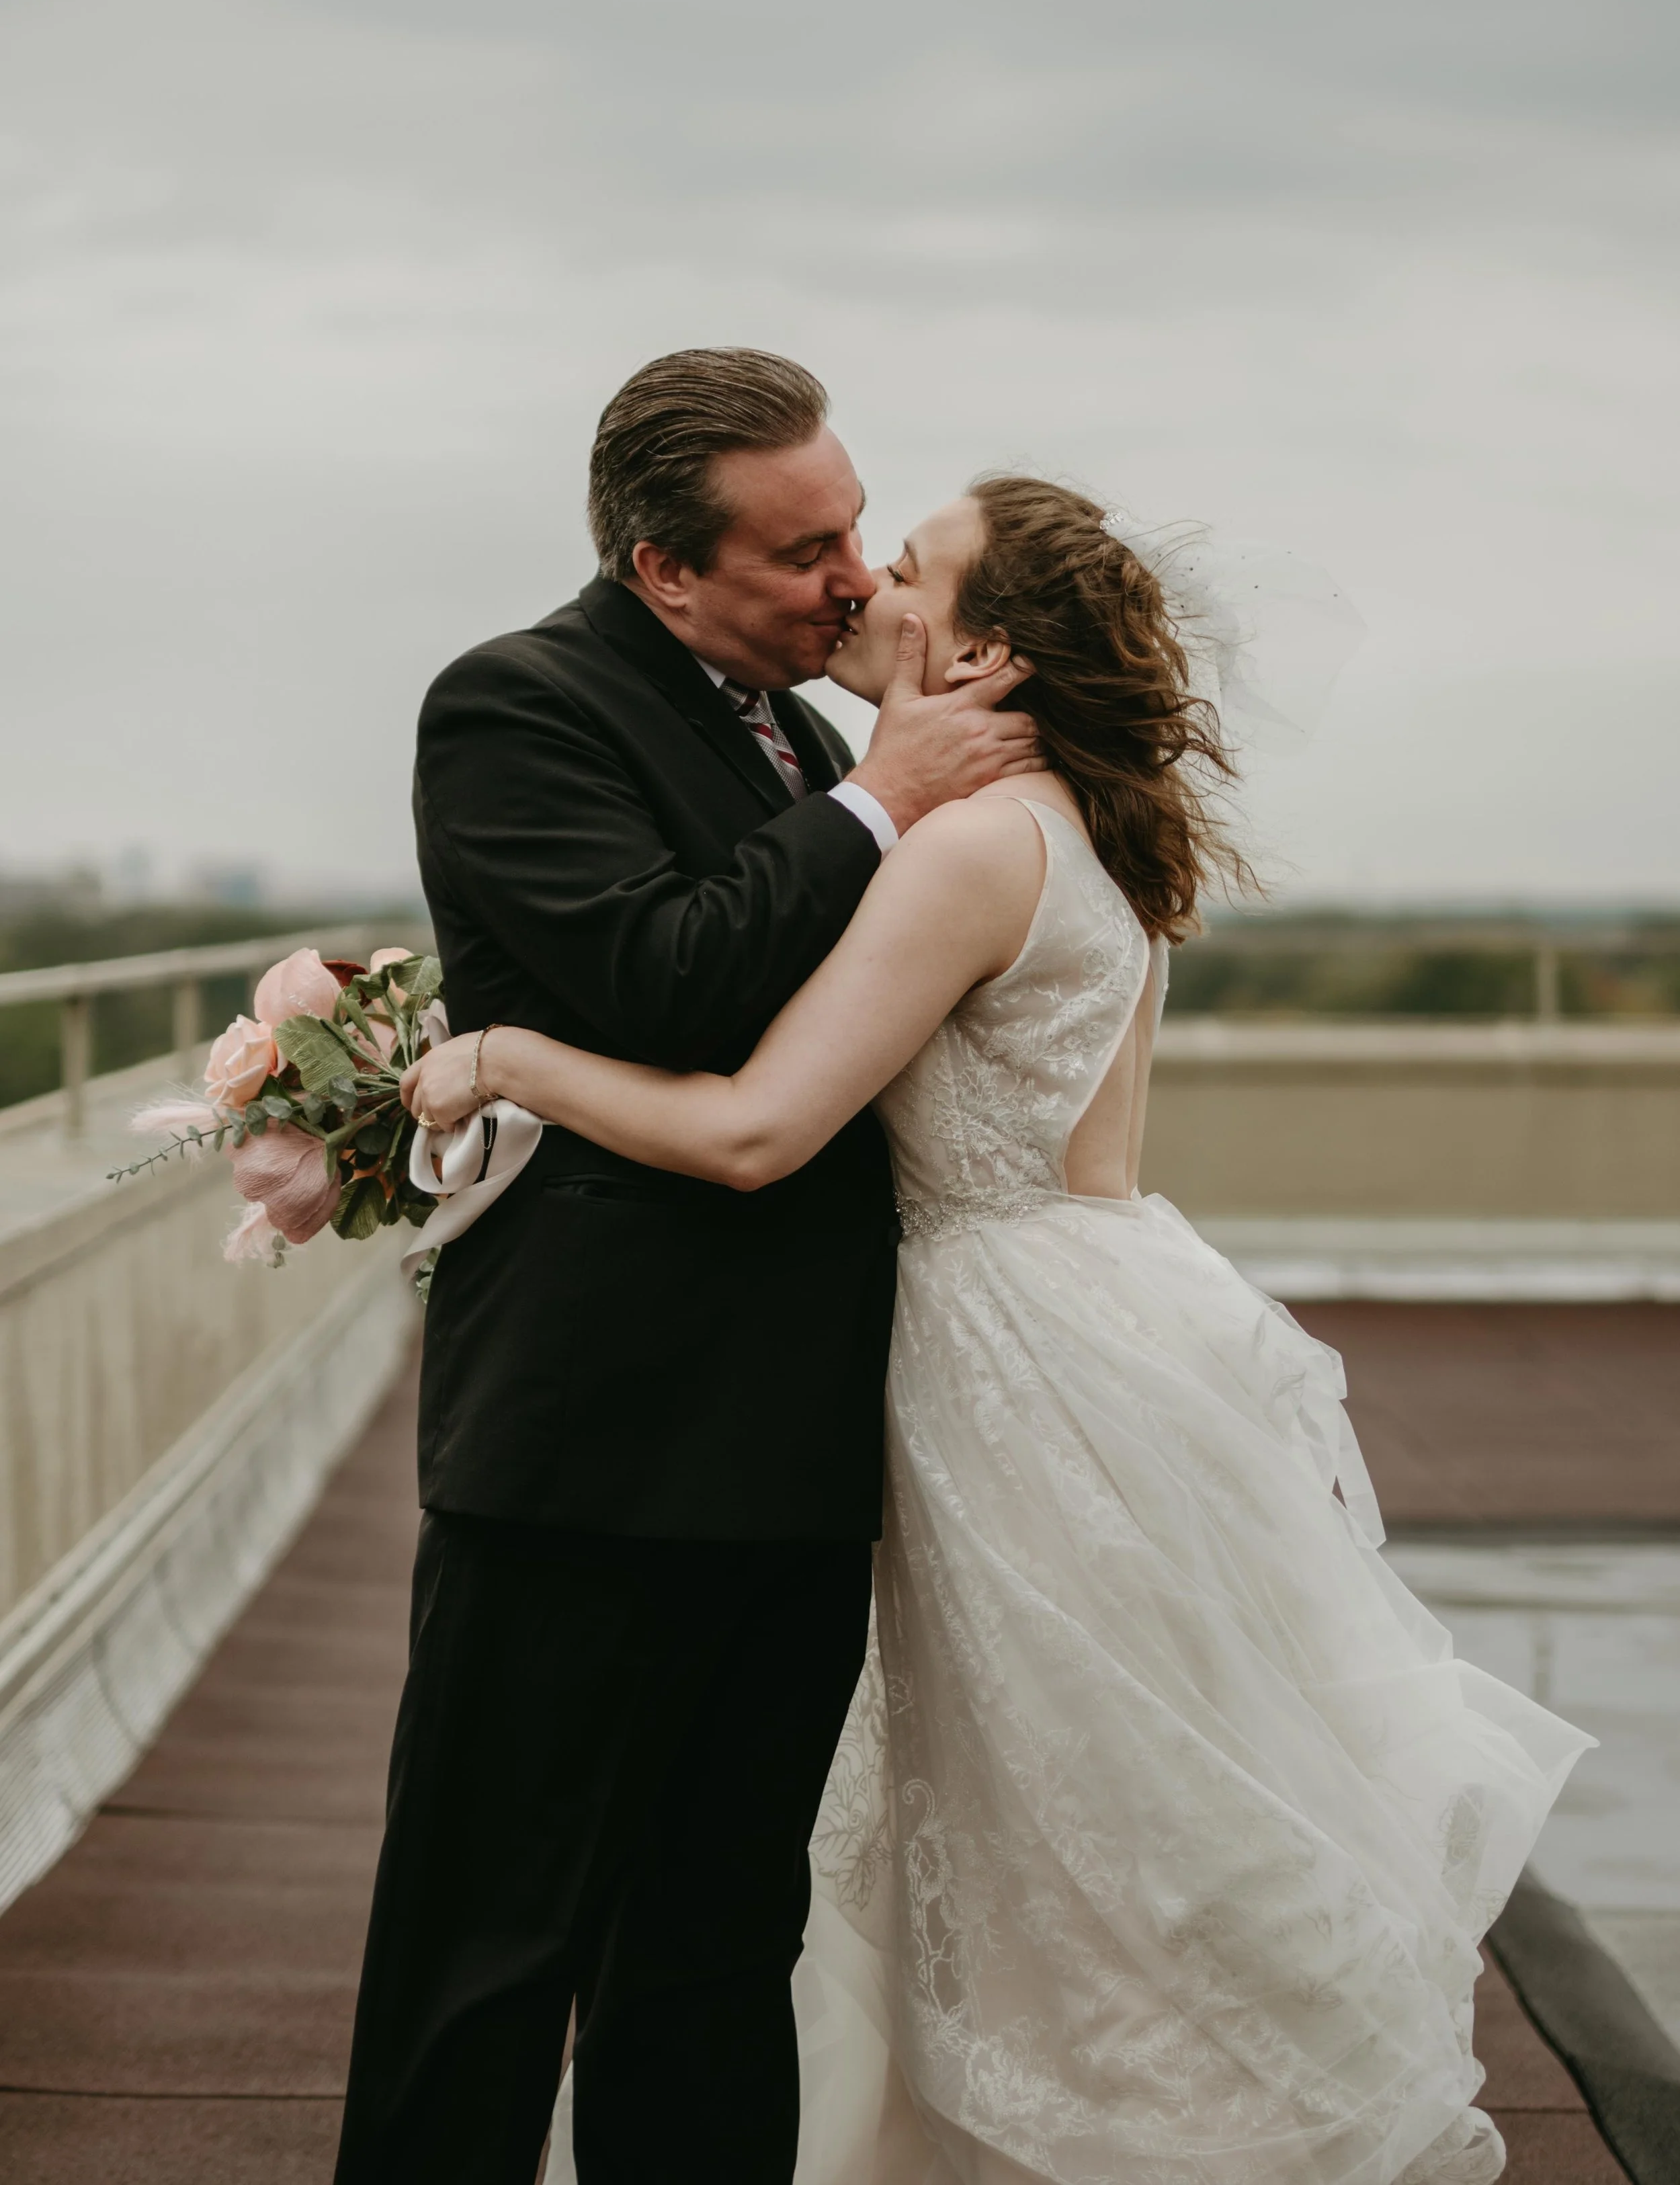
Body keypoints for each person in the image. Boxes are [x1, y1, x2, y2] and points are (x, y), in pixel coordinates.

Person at [407, 473, 1591, 2185]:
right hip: (1114, 1314)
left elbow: (753, 1130)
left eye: (909, 565)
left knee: (1058, 1836)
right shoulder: (1094, 820)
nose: (871, 582)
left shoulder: (963, 841)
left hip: (1004, 1361)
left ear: (981, 650)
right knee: (1123, 1824)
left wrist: (503, 1055)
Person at [332, 350, 1044, 2185]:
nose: (855, 580)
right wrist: (883, 802)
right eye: (804, 550)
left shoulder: (793, 731)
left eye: (858, 533)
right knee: (486, 1953)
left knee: (720, 1954)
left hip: (785, 1456)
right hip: (586, 1446)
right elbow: (665, 979)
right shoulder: (514, 706)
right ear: (662, 565)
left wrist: (867, 777)